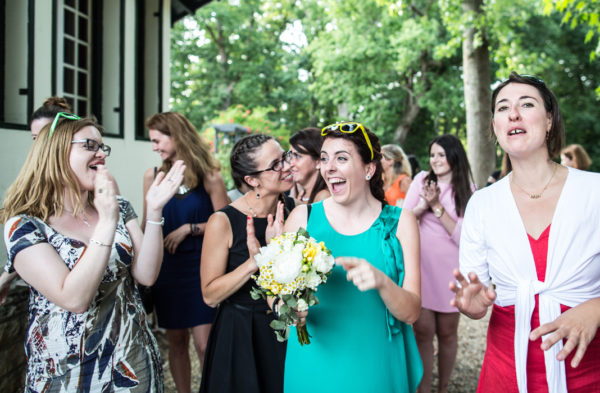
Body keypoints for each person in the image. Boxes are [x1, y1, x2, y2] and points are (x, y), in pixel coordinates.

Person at [1, 112, 185, 392]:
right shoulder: (25, 225)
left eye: (102, 147)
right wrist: (107, 222)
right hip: (68, 373)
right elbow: (74, 298)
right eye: (89, 145)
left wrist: (155, 211)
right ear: (56, 152)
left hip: (133, 362)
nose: (101, 154)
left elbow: (146, 275)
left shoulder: (119, 206)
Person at [451, 72, 600, 393]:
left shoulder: (595, 191)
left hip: (588, 371)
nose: (513, 113)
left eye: (526, 104)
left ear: (549, 120)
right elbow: (475, 294)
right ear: (495, 127)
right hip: (506, 372)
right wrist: (472, 305)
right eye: (503, 108)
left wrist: (596, 307)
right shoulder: (482, 204)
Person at [282, 122, 423, 393]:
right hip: (313, 364)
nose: (328, 167)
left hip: (375, 368)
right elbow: (278, 296)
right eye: (324, 158)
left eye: (341, 158)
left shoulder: (402, 223)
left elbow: (411, 313)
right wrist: (288, 309)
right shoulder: (302, 218)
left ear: (369, 169)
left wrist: (382, 282)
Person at [199, 134, 294, 393]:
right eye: (275, 164)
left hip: (287, 329)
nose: (286, 166)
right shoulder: (223, 221)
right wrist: (255, 263)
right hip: (240, 334)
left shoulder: (296, 212)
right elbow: (209, 294)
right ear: (252, 180)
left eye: (284, 156)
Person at [142, 112, 229, 393]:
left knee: (205, 345)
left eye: (157, 140)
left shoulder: (210, 176)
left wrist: (189, 228)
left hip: (202, 268)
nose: (154, 147)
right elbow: (146, 225)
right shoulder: (152, 177)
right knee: (176, 342)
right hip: (167, 270)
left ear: (176, 135)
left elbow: (228, 223)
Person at [403, 134, 474, 393]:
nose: (435, 160)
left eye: (441, 155)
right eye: (432, 155)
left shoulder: (468, 189)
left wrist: (437, 205)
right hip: (420, 266)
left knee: (447, 332)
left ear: (454, 156)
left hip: (450, 270)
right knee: (422, 331)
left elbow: (462, 237)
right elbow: (405, 220)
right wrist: (424, 205)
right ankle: (424, 388)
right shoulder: (421, 180)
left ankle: (443, 387)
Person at [1, 97, 74, 305]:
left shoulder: (89, 180)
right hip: (51, 292)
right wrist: (7, 276)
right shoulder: (32, 183)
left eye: (46, 136)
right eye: (35, 138)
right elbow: (29, 238)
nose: (40, 145)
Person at [288, 127, 330, 204]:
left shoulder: (323, 198)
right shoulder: (300, 195)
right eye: (290, 155)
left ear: (318, 162)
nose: (290, 163)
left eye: (297, 156)